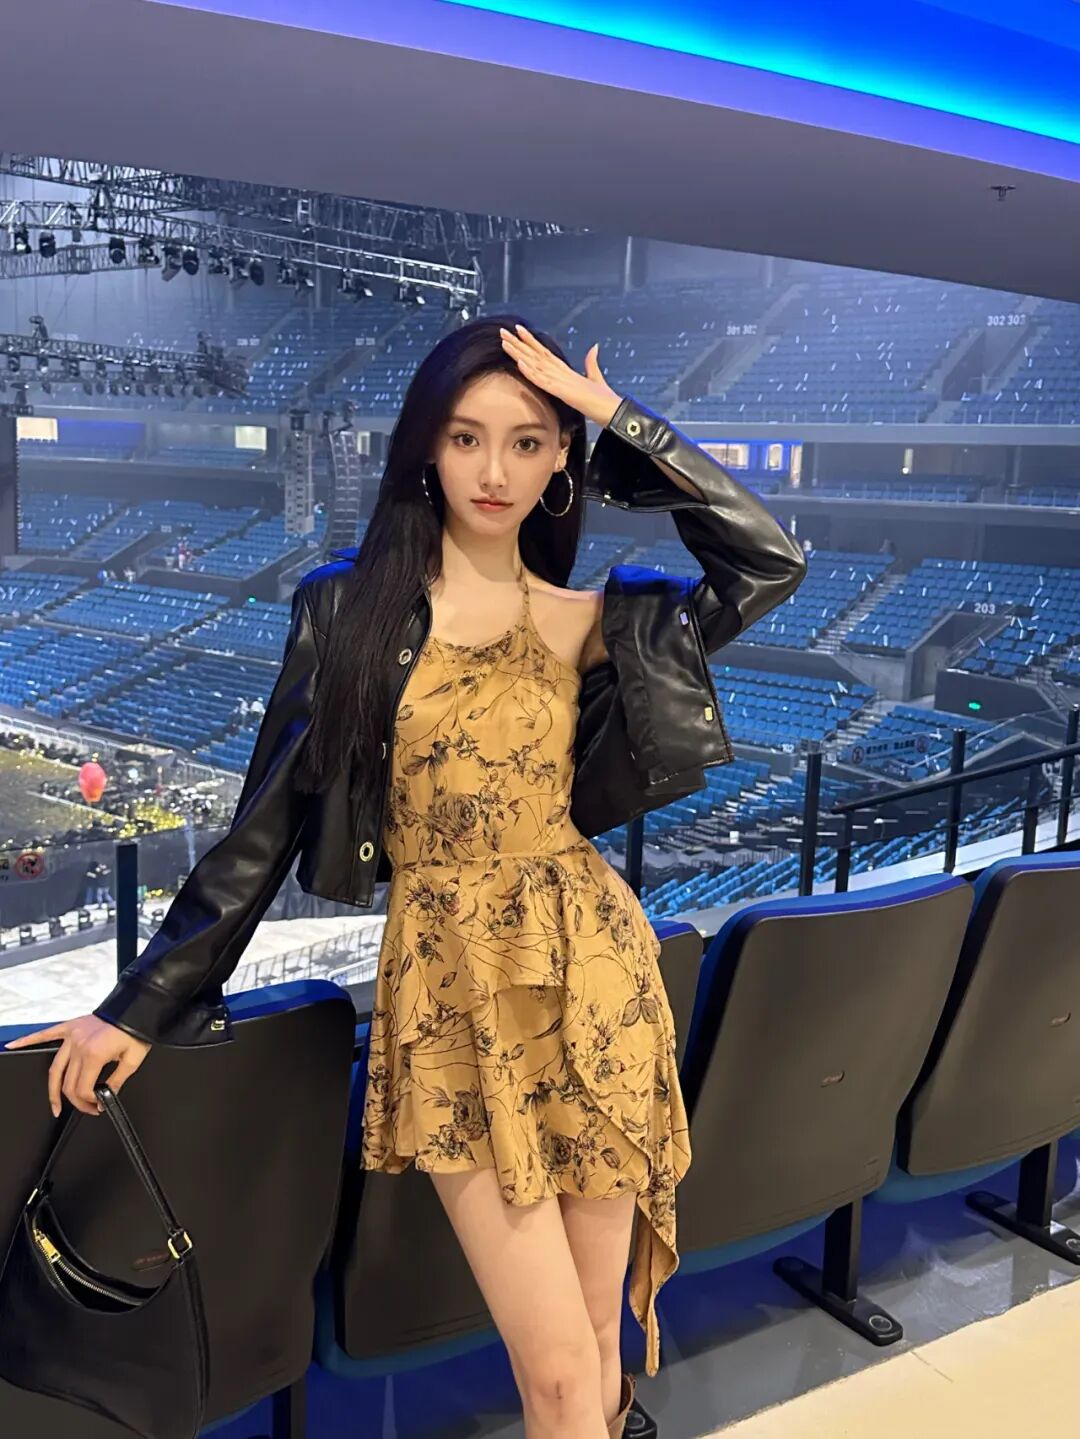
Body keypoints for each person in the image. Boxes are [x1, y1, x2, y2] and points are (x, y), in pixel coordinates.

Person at [6, 315, 805, 1438]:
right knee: (558, 1374)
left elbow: (768, 558)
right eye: (466, 436)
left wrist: (617, 418)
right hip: (453, 991)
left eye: (527, 441)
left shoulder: (595, 621)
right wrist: (140, 1003)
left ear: (561, 461)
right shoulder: (346, 610)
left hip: (598, 979)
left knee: (595, 1349)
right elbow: (264, 825)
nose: (494, 470)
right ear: (426, 447)